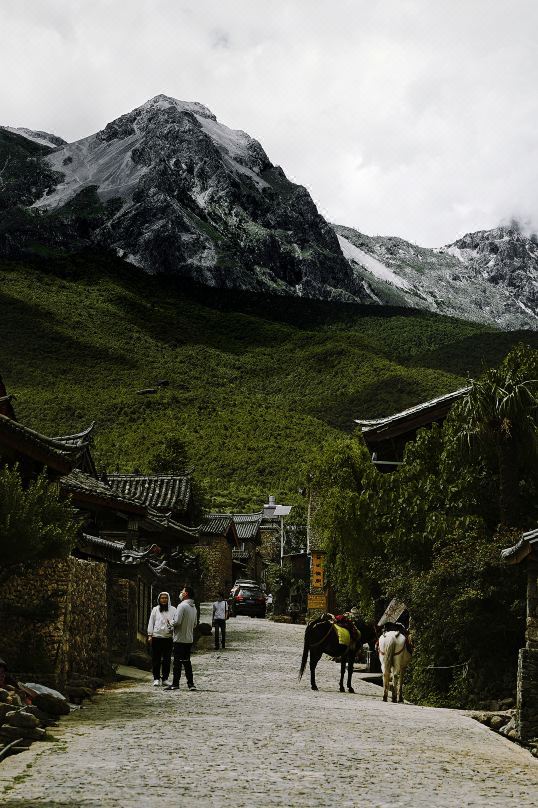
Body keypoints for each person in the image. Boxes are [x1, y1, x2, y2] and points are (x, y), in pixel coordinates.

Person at [165, 585, 198, 691]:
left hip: (179, 638)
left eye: (182, 591)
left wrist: (170, 623)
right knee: (187, 661)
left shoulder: (182, 606)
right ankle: (190, 683)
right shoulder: (194, 607)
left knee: (177, 662)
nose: (181, 593)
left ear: (186, 594)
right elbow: (195, 624)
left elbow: (177, 621)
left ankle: (175, 683)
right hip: (189, 638)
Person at [147, 592, 175, 687]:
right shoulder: (155, 609)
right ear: (159, 599)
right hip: (156, 637)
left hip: (168, 638)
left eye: (165, 598)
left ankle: (165, 678)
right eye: (162, 598)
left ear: (168, 599)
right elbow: (151, 622)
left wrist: (171, 627)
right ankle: (156, 678)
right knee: (156, 659)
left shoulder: (173, 610)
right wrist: (150, 635)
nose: (164, 600)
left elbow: (175, 622)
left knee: (167, 660)